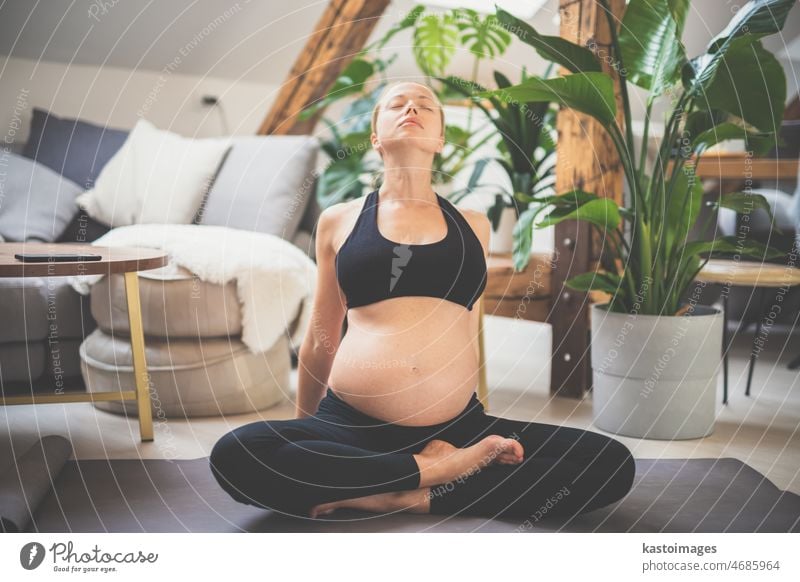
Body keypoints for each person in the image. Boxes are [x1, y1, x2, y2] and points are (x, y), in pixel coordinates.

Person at [209, 81, 636, 521]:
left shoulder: (474, 225)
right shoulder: (339, 221)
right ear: (376, 136)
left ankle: (406, 492)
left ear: (439, 140)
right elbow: (321, 337)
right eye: (396, 104)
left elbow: (465, 328)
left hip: (459, 431)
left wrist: (328, 475)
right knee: (238, 453)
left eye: (426, 106)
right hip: (351, 425)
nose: (411, 106)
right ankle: (431, 471)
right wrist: (309, 437)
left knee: (610, 464)